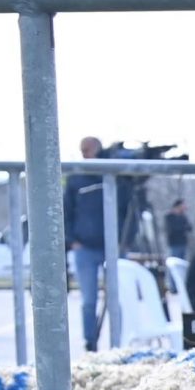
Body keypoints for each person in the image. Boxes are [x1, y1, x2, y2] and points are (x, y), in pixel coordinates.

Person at [63, 135, 122, 351]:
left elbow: (127, 209)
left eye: (87, 149)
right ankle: (90, 341)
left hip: (112, 247)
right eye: (82, 150)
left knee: (116, 297)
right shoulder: (76, 178)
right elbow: (65, 212)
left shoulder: (114, 173)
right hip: (84, 247)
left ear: (98, 149)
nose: (84, 154)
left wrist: (125, 240)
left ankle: (118, 342)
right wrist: (71, 241)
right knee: (89, 300)